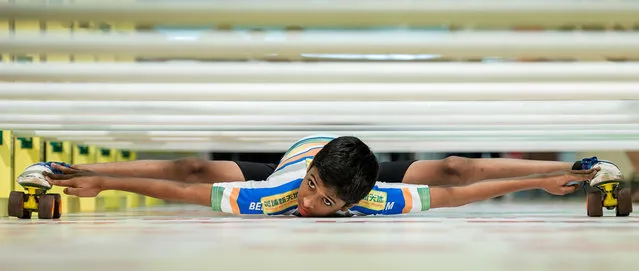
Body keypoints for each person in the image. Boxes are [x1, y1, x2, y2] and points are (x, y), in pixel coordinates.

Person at [17, 135, 620, 217]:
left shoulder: (377, 195)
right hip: (294, 155)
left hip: (353, 161)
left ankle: (580, 168)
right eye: (316, 195)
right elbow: (180, 188)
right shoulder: (282, 191)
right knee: (191, 163)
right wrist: (107, 182)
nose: (310, 208)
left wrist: (537, 181)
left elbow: (461, 192)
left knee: (458, 163)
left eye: (328, 206)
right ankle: (73, 169)